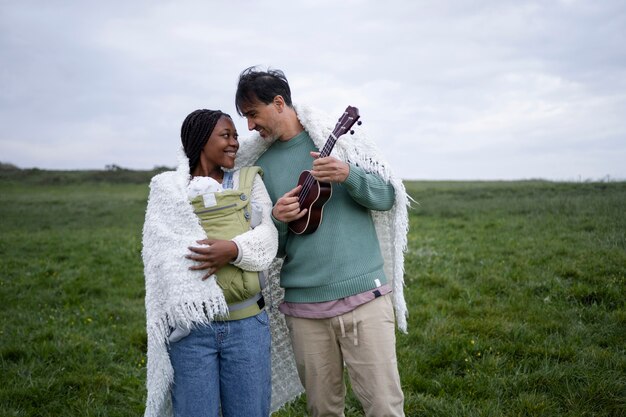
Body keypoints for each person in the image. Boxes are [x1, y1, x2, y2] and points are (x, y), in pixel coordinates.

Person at [230, 66, 411, 417]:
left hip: (364, 300)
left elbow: (388, 197)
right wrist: (278, 222)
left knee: (384, 408)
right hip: (305, 312)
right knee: (322, 411)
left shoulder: (340, 142)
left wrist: (349, 174)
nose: (250, 127)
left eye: (253, 114)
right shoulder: (262, 169)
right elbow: (275, 249)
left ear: (279, 102)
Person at [141, 109, 299, 417]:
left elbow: (268, 237)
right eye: (225, 136)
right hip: (191, 332)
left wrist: (232, 249)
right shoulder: (169, 191)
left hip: (246, 327)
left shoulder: (247, 182)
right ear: (201, 141)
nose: (234, 143)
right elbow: (160, 256)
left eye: (236, 136)